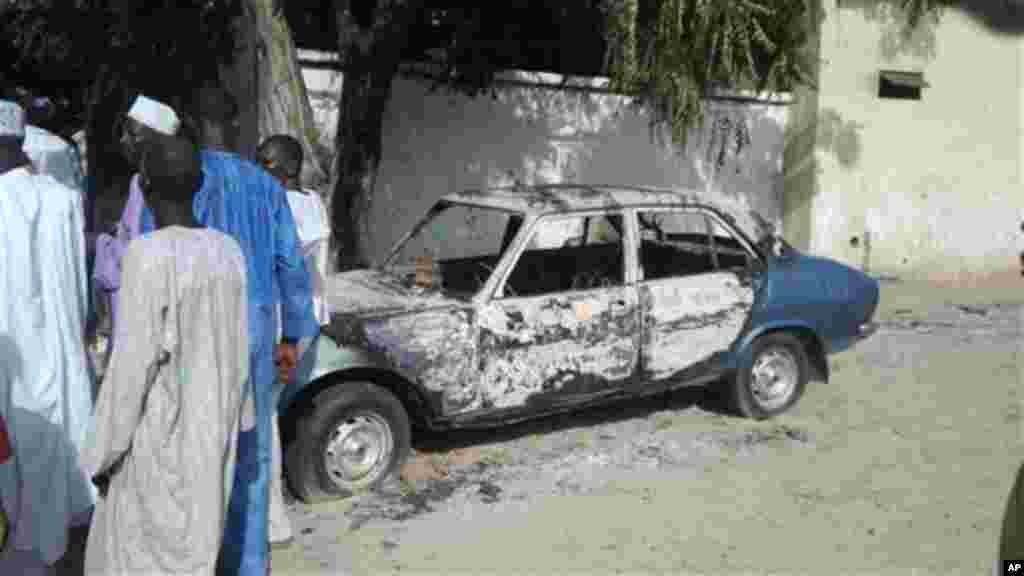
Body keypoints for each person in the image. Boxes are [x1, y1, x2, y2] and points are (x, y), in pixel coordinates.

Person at [103, 130, 317, 575]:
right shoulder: (264, 184)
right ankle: (248, 565)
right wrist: (293, 335)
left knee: (184, 447)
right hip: (254, 324)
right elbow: (292, 265)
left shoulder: (171, 175)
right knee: (251, 451)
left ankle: (192, 558)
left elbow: (154, 262)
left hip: (192, 322)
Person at [82, 140, 251, 576]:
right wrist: (238, 422)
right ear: (199, 184)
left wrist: (102, 455)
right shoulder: (228, 250)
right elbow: (239, 347)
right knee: (197, 549)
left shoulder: (148, 254)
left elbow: (130, 371)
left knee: (143, 556)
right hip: (213, 432)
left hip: (159, 442)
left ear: (146, 185)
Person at [0, 100, 96, 575]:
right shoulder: (63, 198)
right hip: (61, 354)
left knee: (18, 479)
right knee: (63, 461)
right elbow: (79, 287)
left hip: (11, 364)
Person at [255, 135, 331, 549]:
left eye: (264, 162)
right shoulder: (310, 201)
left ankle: (273, 521)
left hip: (287, 331)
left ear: (285, 168)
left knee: (263, 416)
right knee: (268, 414)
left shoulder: (293, 208)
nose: (257, 167)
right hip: (299, 326)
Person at [93, 94, 180, 350]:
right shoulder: (137, 182)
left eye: (133, 134)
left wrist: (102, 245)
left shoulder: (168, 185)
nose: (123, 141)